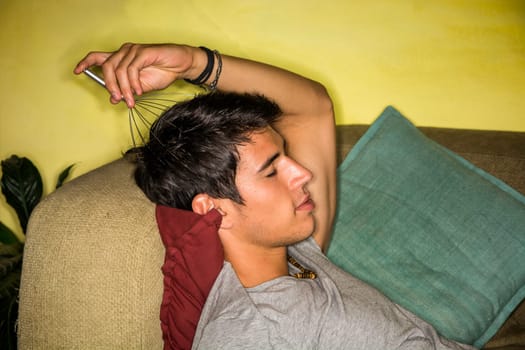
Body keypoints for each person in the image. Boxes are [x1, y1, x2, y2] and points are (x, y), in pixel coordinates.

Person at [74, 43, 475, 349]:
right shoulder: (254, 332)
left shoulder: (293, 248)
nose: (301, 173)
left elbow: (311, 107)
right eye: (272, 169)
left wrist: (194, 62)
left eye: (285, 155)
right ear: (214, 209)